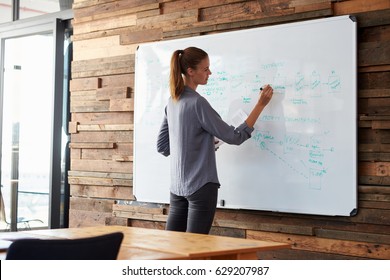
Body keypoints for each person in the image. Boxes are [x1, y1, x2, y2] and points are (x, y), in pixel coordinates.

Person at [157, 46, 273, 234]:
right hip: (201, 187)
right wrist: (260, 105)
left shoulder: (173, 101)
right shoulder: (197, 103)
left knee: (174, 250)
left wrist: (199, 142)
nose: (209, 73)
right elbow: (235, 137)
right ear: (190, 71)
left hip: (177, 188)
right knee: (195, 250)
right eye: (205, 69)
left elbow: (163, 147)